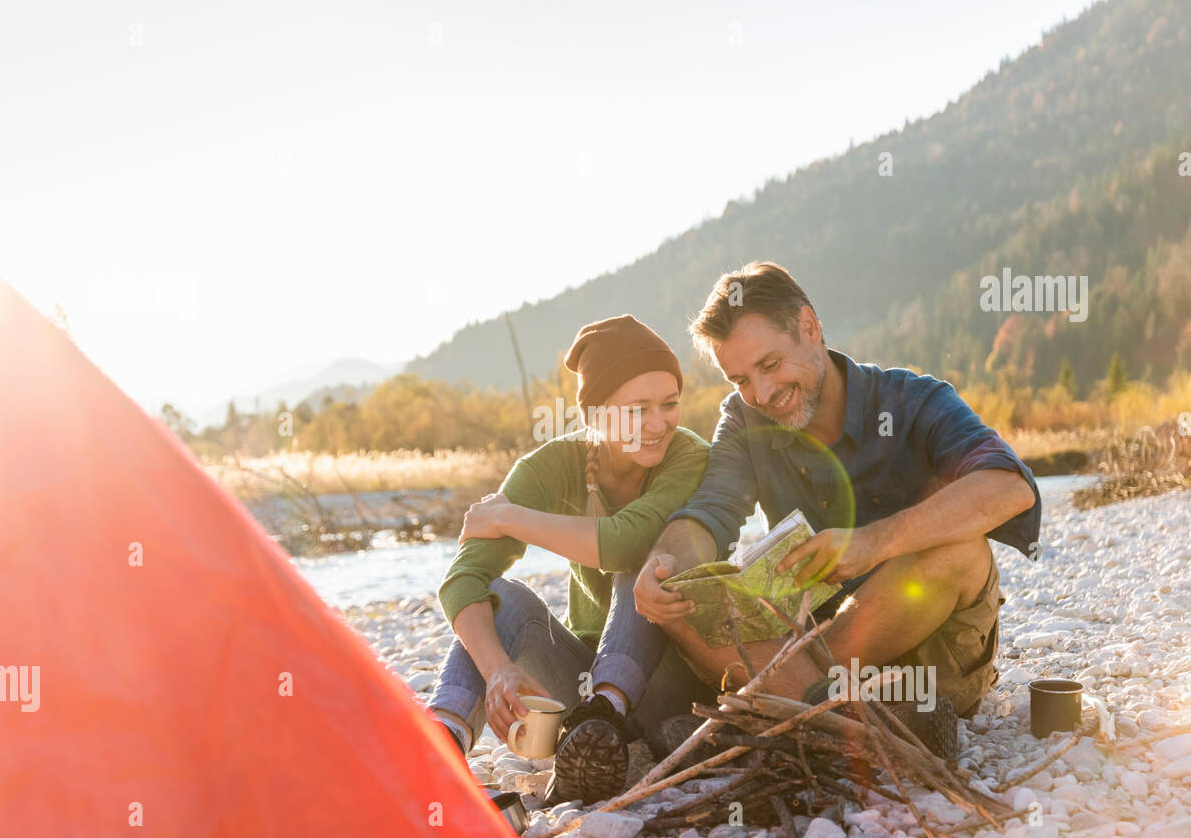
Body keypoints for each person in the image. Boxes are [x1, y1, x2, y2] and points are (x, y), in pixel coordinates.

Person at [631, 261, 1042, 740]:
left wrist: (874, 541)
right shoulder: (744, 420)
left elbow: (1009, 484)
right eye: (740, 379)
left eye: (770, 365)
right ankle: (840, 720)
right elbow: (710, 511)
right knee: (679, 596)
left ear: (809, 327)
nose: (760, 392)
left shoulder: (914, 399)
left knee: (961, 551)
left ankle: (798, 714)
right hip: (810, 649)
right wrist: (665, 564)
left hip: (928, 659)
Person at [428, 314, 715, 804]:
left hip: (677, 681)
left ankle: (604, 715)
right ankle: (440, 743)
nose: (658, 423)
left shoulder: (688, 456)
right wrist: (499, 670)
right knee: (501, 597)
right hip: (581, 682)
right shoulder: (549, 468)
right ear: (596, 414)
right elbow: (463, 579)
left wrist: (512, 518)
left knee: (647, 562)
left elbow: (627, 542)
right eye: (637, 408)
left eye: (669, 404)